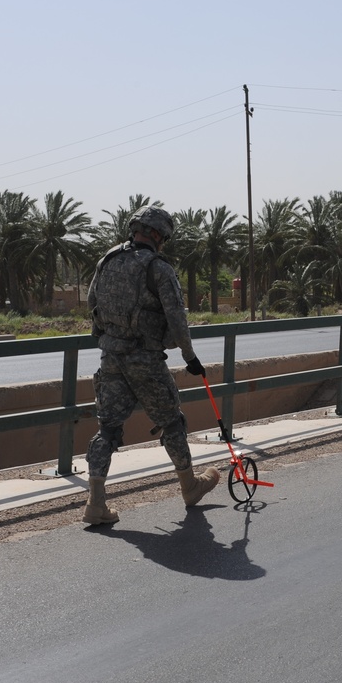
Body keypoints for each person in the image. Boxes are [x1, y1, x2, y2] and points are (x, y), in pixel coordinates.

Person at [82, 204, 219, 525]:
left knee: (107, 430)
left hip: (111, 357)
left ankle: (95, 504)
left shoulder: (108, 259)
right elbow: (176, 317)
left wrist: (104, 337)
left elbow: (92, 304)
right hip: (145, 360)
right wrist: (190, 358)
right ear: (158, 235)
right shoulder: (157, 268)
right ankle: (190, 487)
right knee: (172, 422)